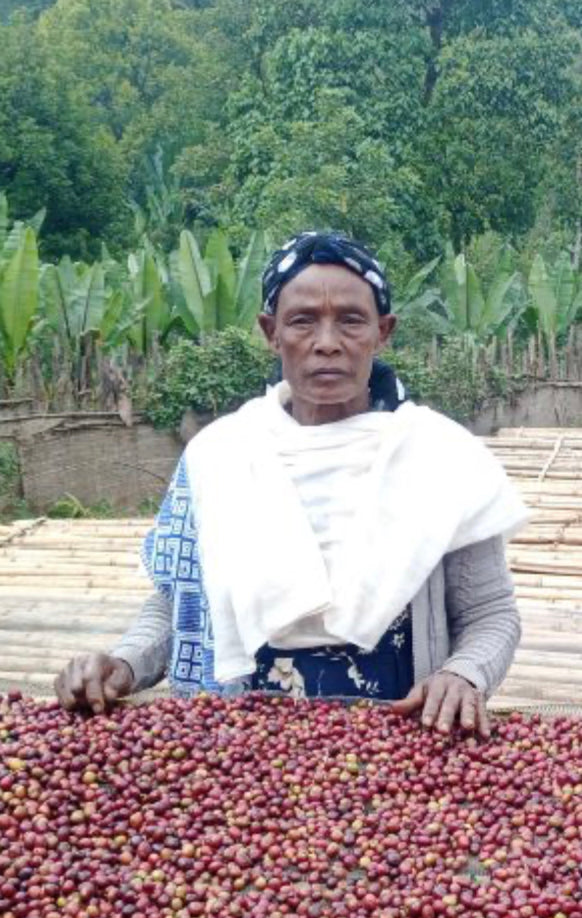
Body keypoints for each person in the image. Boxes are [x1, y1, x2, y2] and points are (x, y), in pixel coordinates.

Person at [55, 231, 527, 737]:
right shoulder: (220, 456)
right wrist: (123, 664)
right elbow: (179, 603)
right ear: (270, 332)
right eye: (302, 321)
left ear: (382, 331)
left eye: (351, 319)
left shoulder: (440, 457)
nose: (327, 342)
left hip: (402, 743)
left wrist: (463, 673)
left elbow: (490, 612)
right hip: (240, 749)